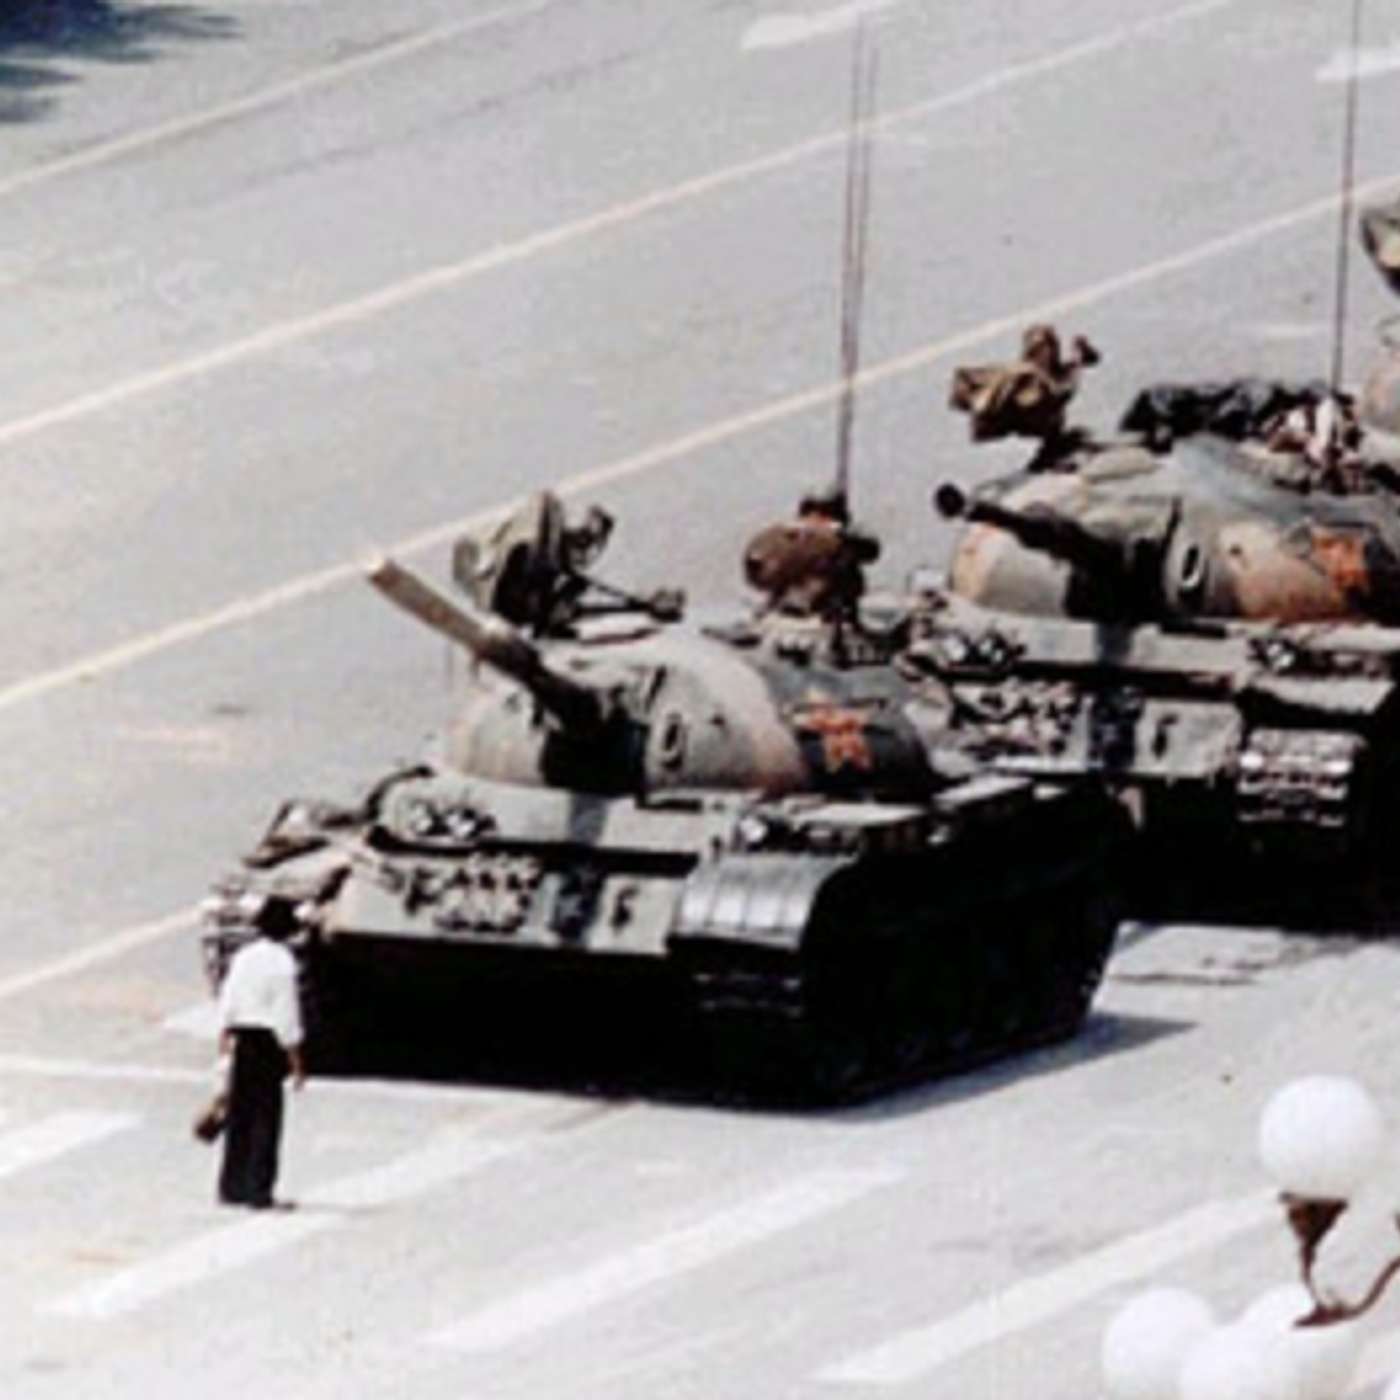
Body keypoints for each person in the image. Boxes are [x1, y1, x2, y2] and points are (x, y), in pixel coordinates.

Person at [215, 901, 306, 1209]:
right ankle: (259, 1190)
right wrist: (295, 1060)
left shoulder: (244, 957)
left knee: (240, 1113)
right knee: (267, 1117)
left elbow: (228, 1000)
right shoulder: (283, 963)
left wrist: (224, 1040)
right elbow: (286, 1015)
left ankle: (232, 1185)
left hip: (243, 1037)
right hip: (268, 1042)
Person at [742, 488, 879, 622]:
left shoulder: (844, 539)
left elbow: (871, 551)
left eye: (822, 515)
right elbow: (760, 564)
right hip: (789, 605)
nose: (816, 520)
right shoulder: (789, 538)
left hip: (831, 609)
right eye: (813, 514)